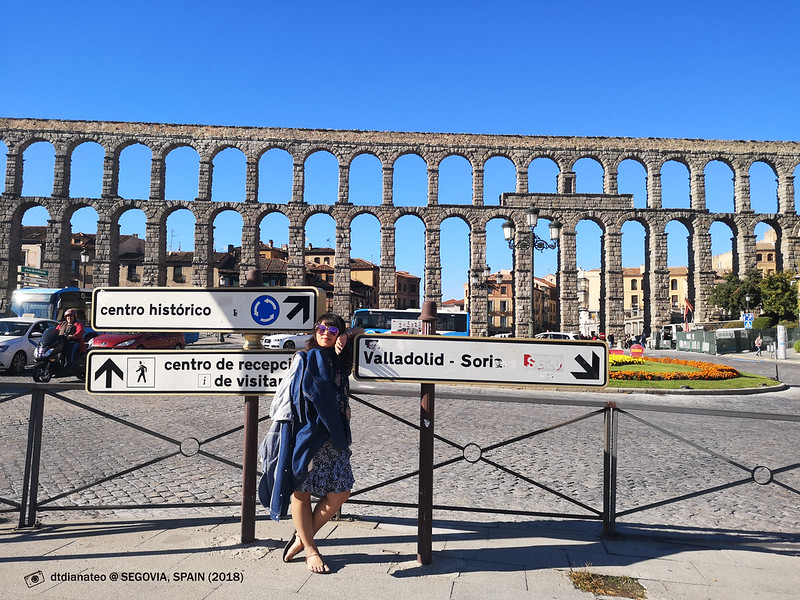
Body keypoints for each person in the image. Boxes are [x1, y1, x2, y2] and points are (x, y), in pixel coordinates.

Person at [280, 313, 363, 574]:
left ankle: (302, 538)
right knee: (301, 491)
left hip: (336, 436)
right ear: (315, 331)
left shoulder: (342, 358)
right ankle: (311, 550)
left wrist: (349, 334)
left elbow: (365, 330)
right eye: (321, 328)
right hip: (309, 434)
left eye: (332, 330)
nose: (325, 333)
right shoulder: (305, 358)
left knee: (342, 490)